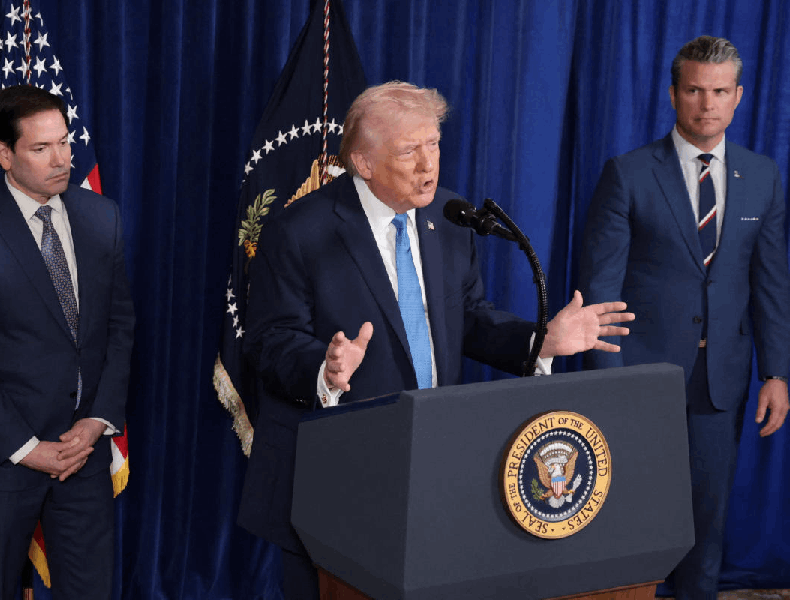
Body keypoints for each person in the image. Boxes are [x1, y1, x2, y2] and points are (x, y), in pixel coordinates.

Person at [238, 81, 634, 599]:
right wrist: (324, 369)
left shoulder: (449, 219)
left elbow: (468, 318)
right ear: (363, 162)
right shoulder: (300, 230)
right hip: (332, 476)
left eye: (434, 145)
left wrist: (540, 341)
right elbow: (270, 341)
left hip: (430, 464)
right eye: (409, 151)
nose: (429, 164)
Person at [577, 36, 790, 599]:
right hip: (640, 377)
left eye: (720, 91)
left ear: (739, 96)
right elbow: (600, 288)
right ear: (673, 95)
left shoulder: (762, 175)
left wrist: (776, 373)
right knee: (627, 517)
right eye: (695, 90)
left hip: (720, 380)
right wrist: (612, 381)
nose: (707, 104)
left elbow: (769, 281)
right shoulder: (627, 173)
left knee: (705, 524)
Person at [0, 85, 135, 600]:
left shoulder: (101, 216)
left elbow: (120, 326)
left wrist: (96, 421)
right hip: (0, 458)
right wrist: (27, 448)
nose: (62, 159)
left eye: (64, 143)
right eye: (41, 149)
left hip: (82, 451)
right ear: (3, 153)